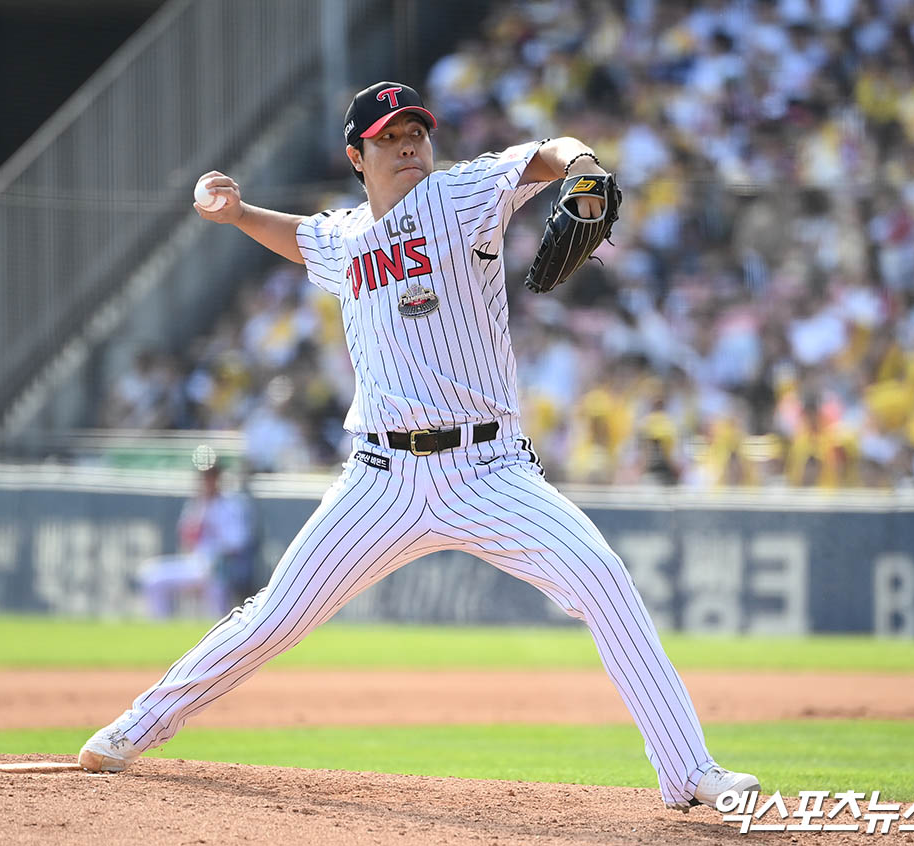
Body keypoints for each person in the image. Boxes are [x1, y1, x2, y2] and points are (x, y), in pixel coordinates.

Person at [79, 81, 760, 813]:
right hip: (383, 477)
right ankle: (133, 728)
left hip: (489, 469)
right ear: (356, 155)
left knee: (601, 577)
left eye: (415, 133)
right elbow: (299, 236)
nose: (407, 146)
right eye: (388, 138)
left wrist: (584, 163)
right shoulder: (343, 239)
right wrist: (237, 212)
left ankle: (687, 770)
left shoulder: (461, 194)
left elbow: (546, 155)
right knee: (274, 615)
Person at [138, 463, 255, 619]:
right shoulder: (196, 504)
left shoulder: (232, 505)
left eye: (211, 477)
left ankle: (219, 627)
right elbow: (187, 540)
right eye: (204, 478)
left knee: (215, 580)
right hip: (196, 563)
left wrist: (215, 533)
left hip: (222, 565)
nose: (207, 482)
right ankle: (162, 628)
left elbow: (238, 542)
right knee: (152, 575)